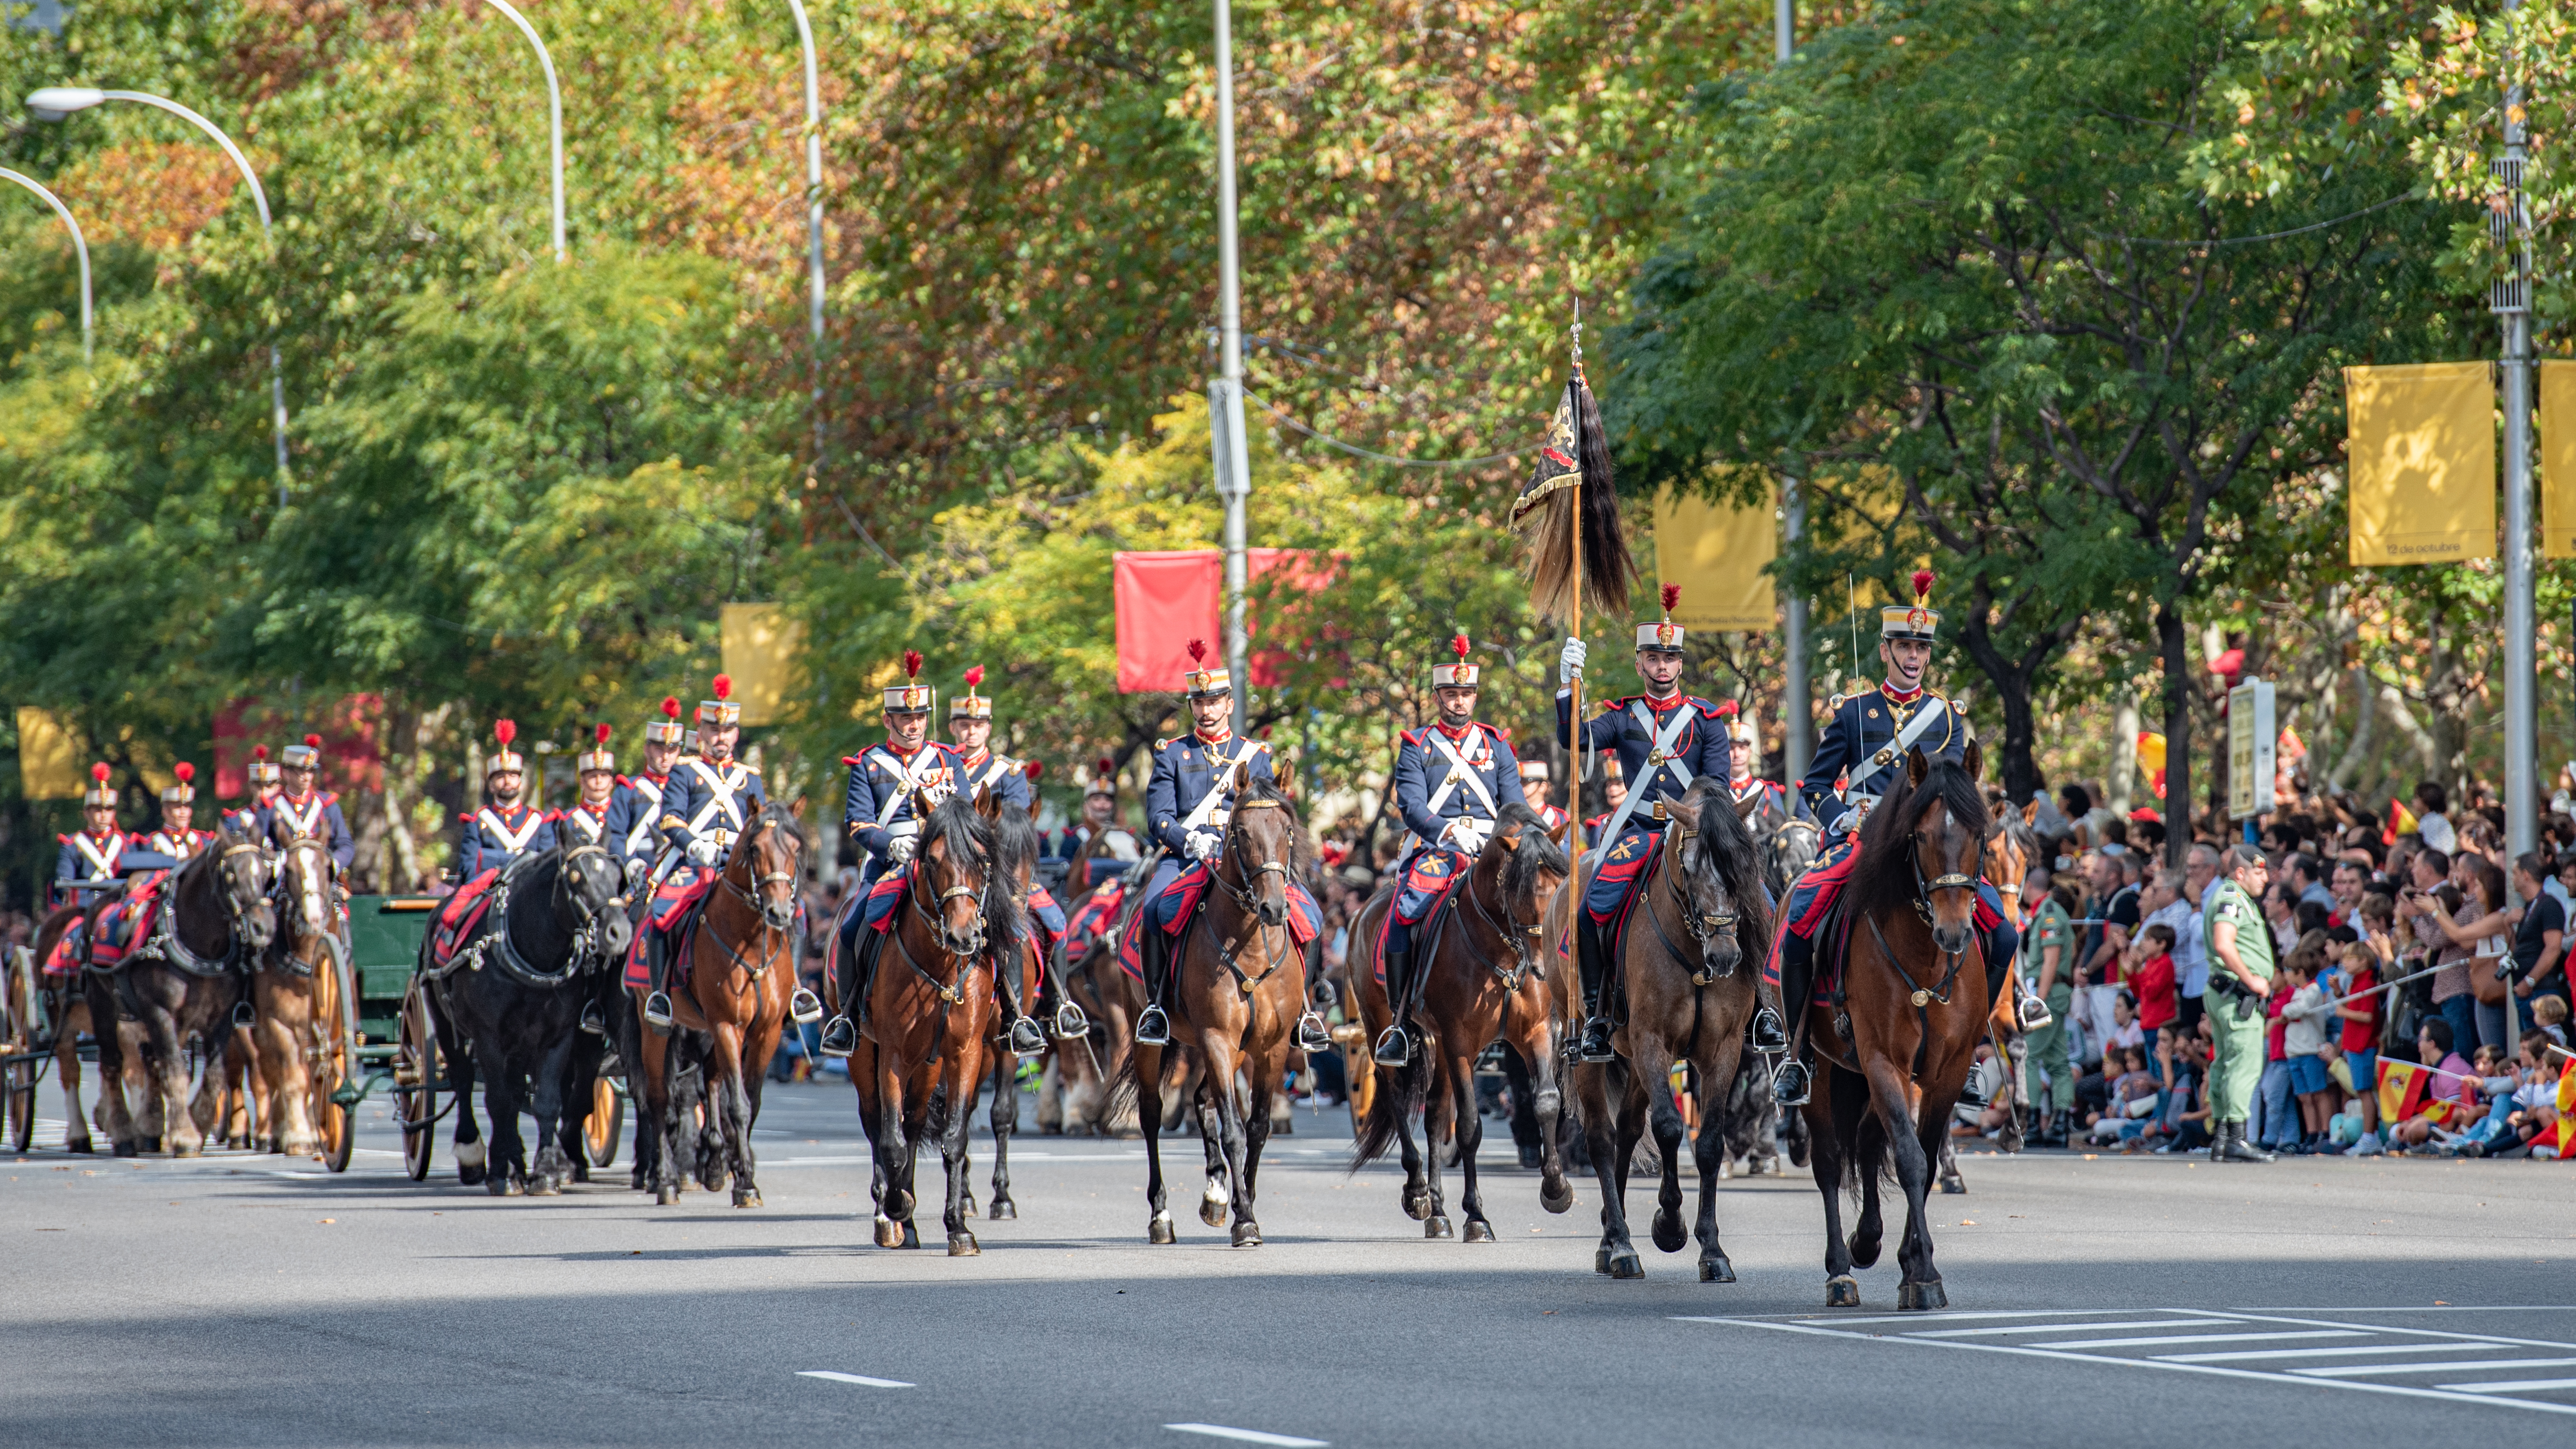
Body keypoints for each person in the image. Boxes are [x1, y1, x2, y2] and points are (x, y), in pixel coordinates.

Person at [1766, 571, 2016, 1104]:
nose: (1912, 656)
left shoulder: (1947, 719)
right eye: (1904, 645)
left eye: (1921, 648)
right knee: (1801, 919)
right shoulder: (1854, 713)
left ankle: (1969, 1046)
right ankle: (1795, 1052)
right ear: (1884, 650)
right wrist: (1839, 817)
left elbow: (1954, 791)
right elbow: (1813, 785)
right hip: (1863, 843)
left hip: (1929, 851)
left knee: (2006, 933)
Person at [1555, 584, 1737, 1065]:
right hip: (1638, 835)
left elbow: (1716, 785)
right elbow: (1575, 740)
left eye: (1669, 658)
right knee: (1590, 910)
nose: (1661, 667)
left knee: (1758, 896)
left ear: (1680, 664)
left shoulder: (1707, 721)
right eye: (1652, 658)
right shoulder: (1622, 717)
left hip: (1696, 834)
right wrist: (1567, 688)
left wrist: (1694, 821)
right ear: (1639, 664)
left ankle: (1761, 1008)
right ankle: (1598, 1016)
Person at [1127, 639, 1333, 1056]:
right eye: (1199, 702)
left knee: (1308, 913)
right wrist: (1190, 839)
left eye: (1214, 701)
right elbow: (1159, 817)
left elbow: (1268, 812)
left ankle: (1306, 1009)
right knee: (1152, 910)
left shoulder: (1255, 756)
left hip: (1247, 857)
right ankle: (1156, 1008)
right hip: (1187, 858)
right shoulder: (1173, 755)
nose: (1206, 709)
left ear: (1229, 704)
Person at [1373, 634, 1528, 1066]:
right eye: (1451, 694)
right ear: (1438, 696)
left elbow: (1513, 804)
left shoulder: (1497, 745)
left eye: (1465, 694)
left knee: (1537, 902)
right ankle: (1402, 1023)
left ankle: (1543, 1004)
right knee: (1405, 912)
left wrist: (1508, 837)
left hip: (1492, 849)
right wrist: (1446, 833)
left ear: (1474, 696)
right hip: (1438, 850)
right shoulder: (1416, 745)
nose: (1458, 702)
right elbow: (1411, 805)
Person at [653, 676, 811, 1031]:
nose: (720, 737)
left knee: (795, 911)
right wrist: (694, 843)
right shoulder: (683, 771)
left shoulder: (749, 777)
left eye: (727, 730)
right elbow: (669, 818)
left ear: (736, 735)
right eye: (713, 729)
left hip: (743, 863)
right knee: (663, 912)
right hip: (696, 859)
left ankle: (794, 991)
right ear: (702, 731)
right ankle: (661, 994)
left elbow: (762, 822)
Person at [2202, 843, 2277, 1161]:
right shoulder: (2233, 898)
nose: (2266, 879)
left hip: (2226, 993)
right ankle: (2236, 1136)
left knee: (2225, 1062)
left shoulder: (2236, 897)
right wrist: (2253, 980)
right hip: (2237, 994)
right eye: (2259, 873)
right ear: (2241, 872)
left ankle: (2221, 1137)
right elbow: (2224, 943)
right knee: (2243, 1063)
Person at [457, 721, 557, 880]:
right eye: (500, 777)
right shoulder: (476, 822)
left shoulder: (541, 822)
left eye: (512, 776)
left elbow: (548, 869)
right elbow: (470, 870)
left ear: (521, 783)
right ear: (491, 786)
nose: (507, 781)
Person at [2020, 870, 2078, 1142]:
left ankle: (2032, 1122)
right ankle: (2060, 1124)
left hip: (2049, 993)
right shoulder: (2046, 912)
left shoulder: (2049, 913)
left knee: (2029, 1056)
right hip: (2056, 992)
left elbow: (2051, 960)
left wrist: (2038, 1002)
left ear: (2028, 885)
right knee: (2057, 1059)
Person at [946, 666, 1034, 814]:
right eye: (965, 726)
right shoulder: (940, 768)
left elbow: (1016, 825)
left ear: (988, 729)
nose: (972, 731)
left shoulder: (1008, 773)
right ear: (952, 728)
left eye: (979, 725)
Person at [263, 732, 356, 873]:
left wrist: (331, 864)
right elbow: (257, 846)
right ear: (287, 773)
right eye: (301, 771)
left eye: (311, 771)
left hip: (321, 876)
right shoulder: (270, 807)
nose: (307, 777)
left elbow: (345, 845)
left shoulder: (328, 806)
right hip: (285, 877)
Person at [53, 763, 128, 908]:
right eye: (97, 809)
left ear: (114, 813)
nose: (104, 814)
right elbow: (65, 885)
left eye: (109, 809)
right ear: (86, 813)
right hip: (84, 907)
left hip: (119, 906)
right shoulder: (71, 845)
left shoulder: (126, 843)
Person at [2508, 851, 2569, 1021]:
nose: (2512, 878)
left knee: (2539, 1043)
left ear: (2526, 875)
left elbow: (2553, 948)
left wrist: (2529, 981)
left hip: (2541, 992)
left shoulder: (2549, 905)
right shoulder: (2529, 907)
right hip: (2528, 992)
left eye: (2515, 873)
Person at [556, 724, 618, 848]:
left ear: (611, 782)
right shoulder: (567, 820)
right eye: (593, 776)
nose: (599, 781)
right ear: (582, 782)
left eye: (604, 776)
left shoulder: (621, 814)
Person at [136, 762, 212, 860]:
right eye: (177, 807)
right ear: (165, 811)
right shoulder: (150, 843)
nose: (183, 812)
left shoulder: (203, 841)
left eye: (187, 807)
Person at [1520, 759, 1568, 833]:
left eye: (1525, 783)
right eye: (1518, 783)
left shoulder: (1558, 818)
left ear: (1542, 787)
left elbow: (1568, 844)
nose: (1520, 787)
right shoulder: (1511, 817)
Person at [2413, 780, 2457, 855]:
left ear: (2426, 800)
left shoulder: (2430, 821)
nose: (2413, 801)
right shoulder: (2434, 819)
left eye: (2416, 798)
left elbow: (2428, 845)